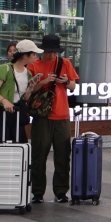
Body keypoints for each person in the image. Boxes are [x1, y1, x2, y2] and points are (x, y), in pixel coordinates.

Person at [26, 34, 80, 203]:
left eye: (55, 52)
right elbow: (28, 91)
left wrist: (66, 81)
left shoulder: (65, 63)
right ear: (43, 50)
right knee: (39, 154)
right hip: (42, 116)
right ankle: (37, 192)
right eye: (49, 52)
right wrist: (44, 82)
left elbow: (73, 86)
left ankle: (61, 191)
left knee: (63, 155)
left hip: (62, 115)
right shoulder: (33, 66)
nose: (52, 55)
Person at [0, 40, 38, 144]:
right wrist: (4, 101)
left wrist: (31, 88)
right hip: (0, 111)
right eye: (33, 54)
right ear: (25, 56)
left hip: (16, 111)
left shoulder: (28, 73)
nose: (35, 57)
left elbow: (25, 97)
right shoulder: (4, 69)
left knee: (19, 142)